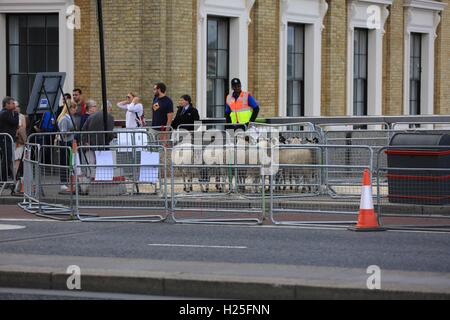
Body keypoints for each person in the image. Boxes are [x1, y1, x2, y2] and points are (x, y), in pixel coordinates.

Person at [57, 102, 77, 192]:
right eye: (74, 108)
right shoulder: (64, 119)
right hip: (64, 142)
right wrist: (72, 131)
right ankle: (63, 182)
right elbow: (63, 132)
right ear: (70, 108)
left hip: (70, 142)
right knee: (64, 162)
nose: (76, 110)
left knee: (69, 162)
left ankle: (68, 181)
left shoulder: (70, 118)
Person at [0, 97, 19, 187]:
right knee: (6, 159)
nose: (14, 105)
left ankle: (6, 178)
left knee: (8, 159)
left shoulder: (7, 112)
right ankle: (3, 180)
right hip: (5, 139)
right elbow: (14, 122)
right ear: (7, 104)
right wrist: (16, 114)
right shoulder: (5, 113)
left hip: (8, 139)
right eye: (12, 103)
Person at [14, 101, 27, 176]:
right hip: (14, 140)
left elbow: (23, 127)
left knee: (19, 159)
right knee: (14, 159)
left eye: (18, 106)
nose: (17, 108)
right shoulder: (11, 116)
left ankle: (17, 176)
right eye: (15, 106)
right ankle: (14, 176)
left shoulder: (22, 116)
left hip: (20, 140)